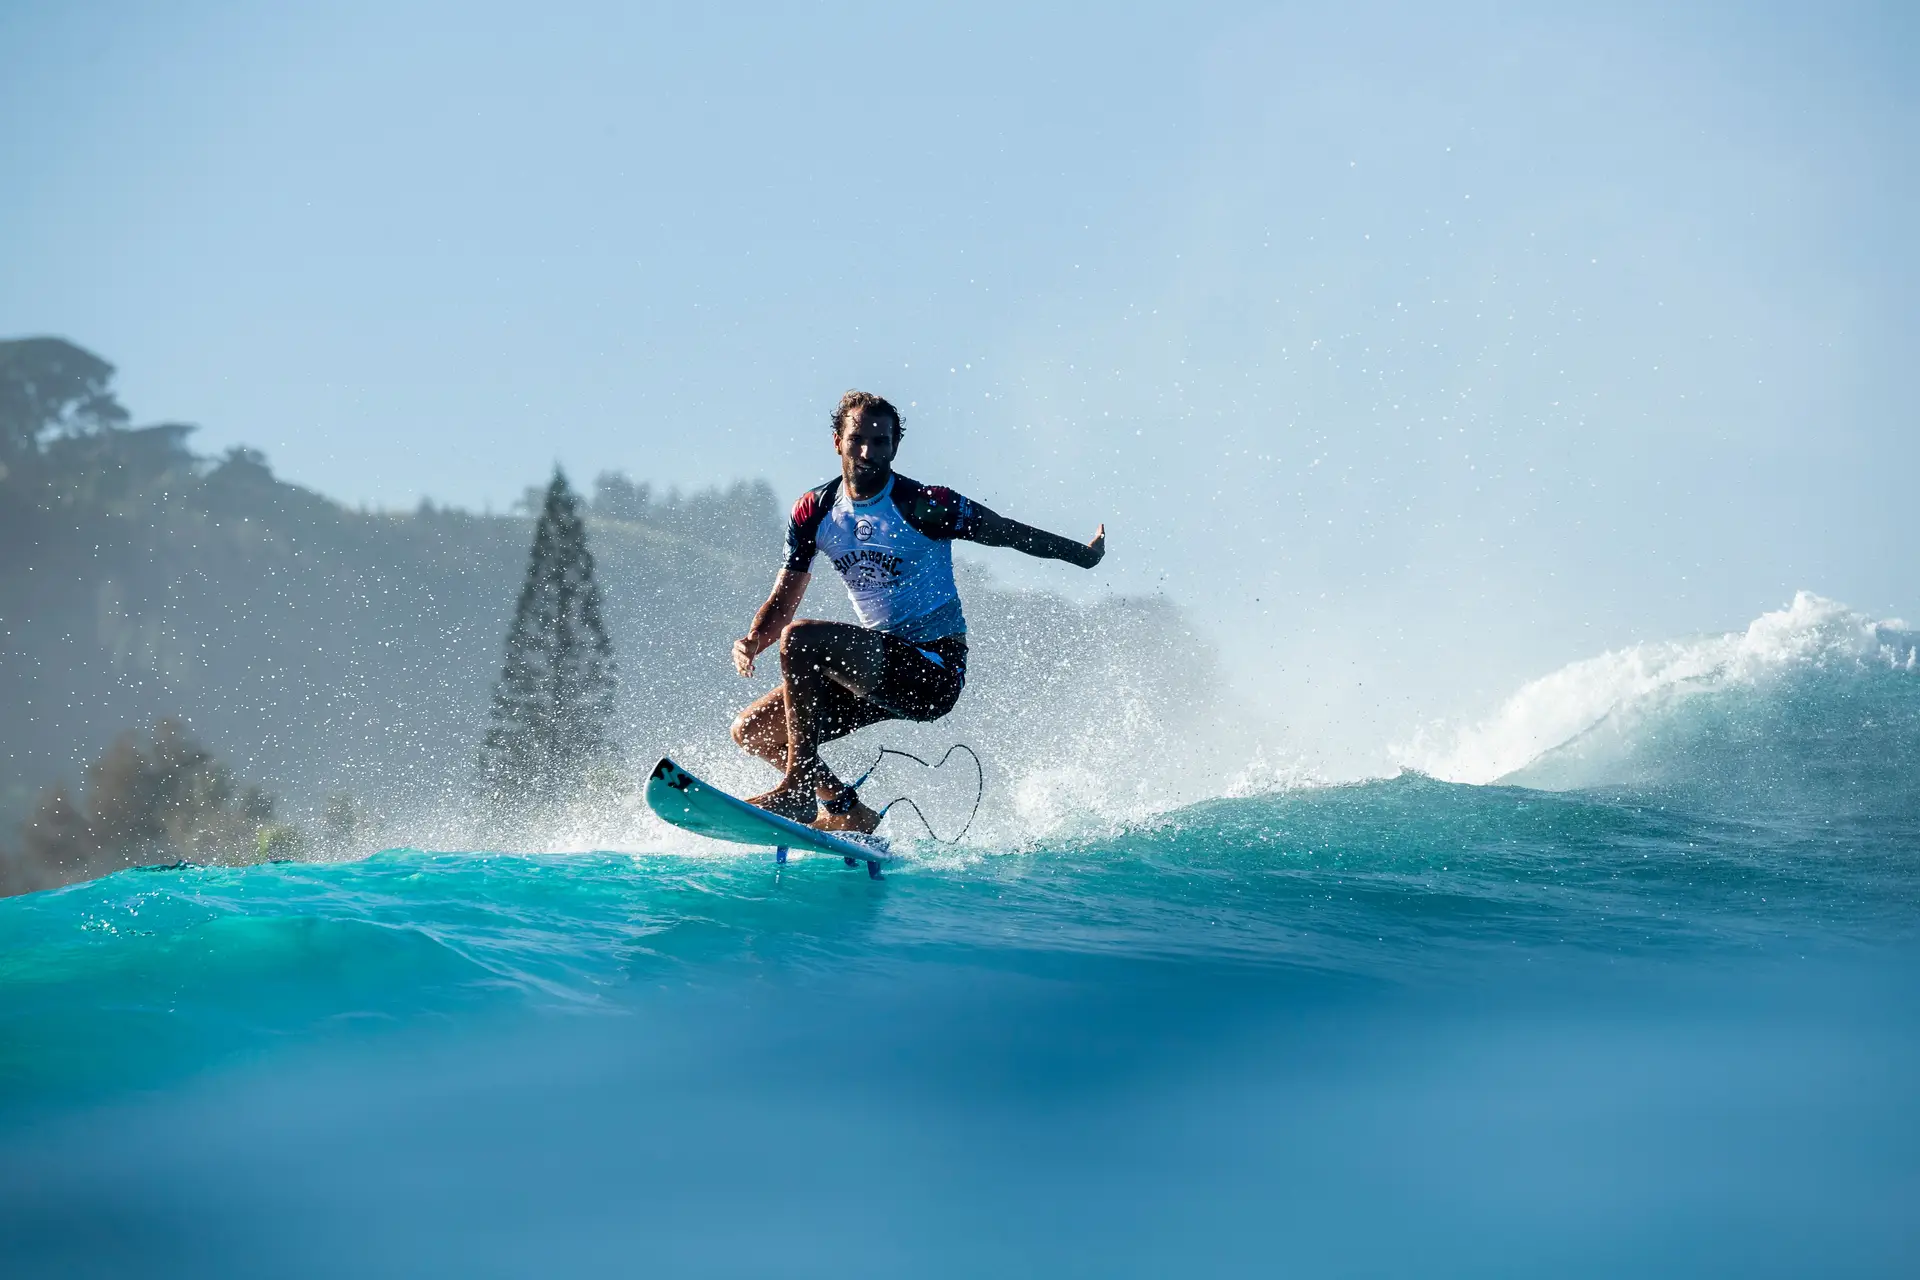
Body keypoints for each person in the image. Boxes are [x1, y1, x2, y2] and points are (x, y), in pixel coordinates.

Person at [731, 390, 1106, 832]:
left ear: (895, 446)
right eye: (857, 440)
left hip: (934, 670)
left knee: (801, 639)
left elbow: (1006, 532)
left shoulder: (925, 504)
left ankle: (796, 790)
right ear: (837, 442)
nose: (869, 452)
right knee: (751, 730)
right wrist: (755, 637)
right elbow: (784, 598)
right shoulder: (815, 511)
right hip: (874, 672)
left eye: (881, 441)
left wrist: (1080, 555)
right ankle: (845, 809)